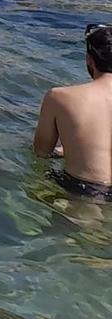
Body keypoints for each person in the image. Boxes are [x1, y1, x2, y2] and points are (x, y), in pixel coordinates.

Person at [33, 24, 112, 200]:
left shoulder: (59, 97)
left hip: (84, 189)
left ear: (89, 59)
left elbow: (42, 153)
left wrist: (67, 149)